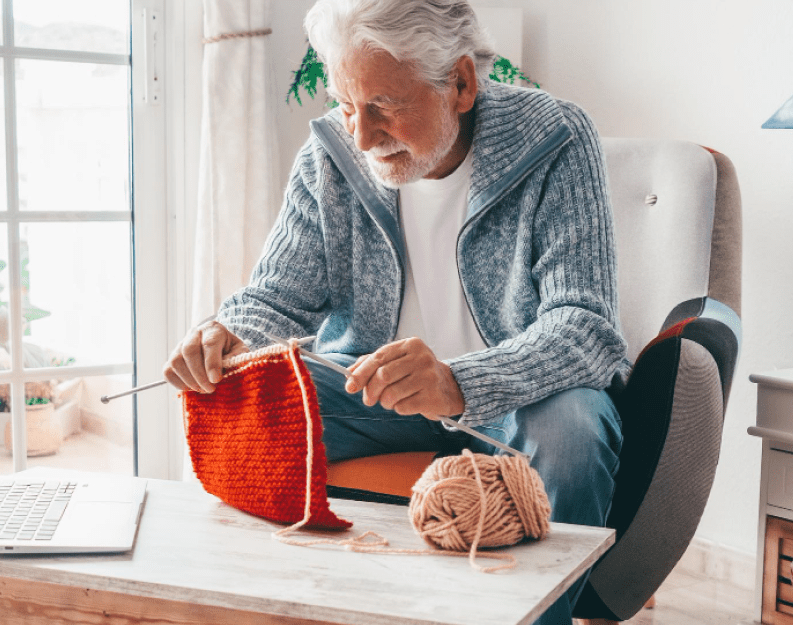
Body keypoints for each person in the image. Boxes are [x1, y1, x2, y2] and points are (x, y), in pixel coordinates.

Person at [164, 1, 629, 622]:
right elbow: (277, 296)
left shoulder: (557, 137)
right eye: (348, 105)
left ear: (460, 83)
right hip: (370, 393)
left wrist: (458, 382)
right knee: (240, 406)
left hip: (519, 396)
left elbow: (585, 326)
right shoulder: (331, 154)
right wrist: (225, 331)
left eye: (383, 106)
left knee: (572, 435)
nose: (360, 135)